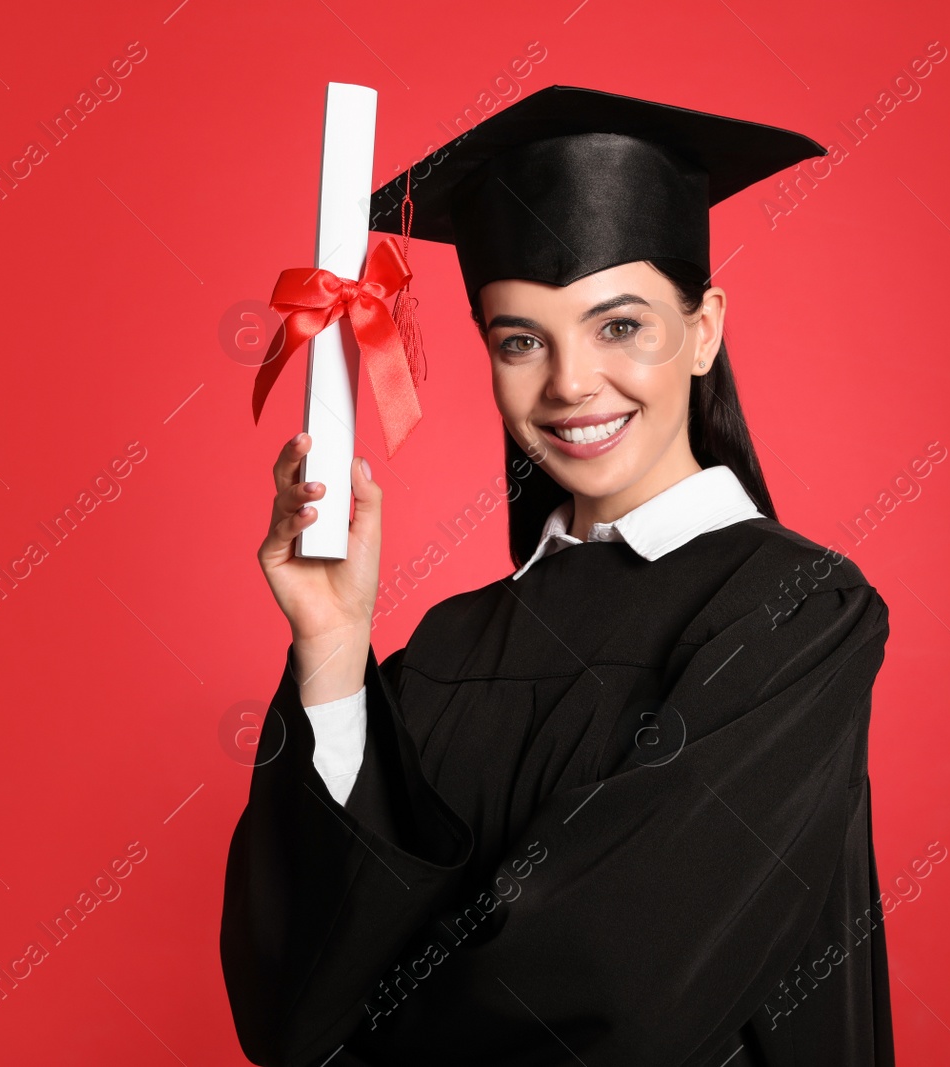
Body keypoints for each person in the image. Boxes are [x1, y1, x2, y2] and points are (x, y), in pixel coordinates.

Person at [221, 85, 895, 1066]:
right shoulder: (454, 646)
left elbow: (616, 990)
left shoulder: (793, 614)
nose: (570, 381)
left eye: (619, 324)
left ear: (702, 328)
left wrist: (361, 1041)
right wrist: (331, 652)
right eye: (521, 339)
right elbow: (296, 991)